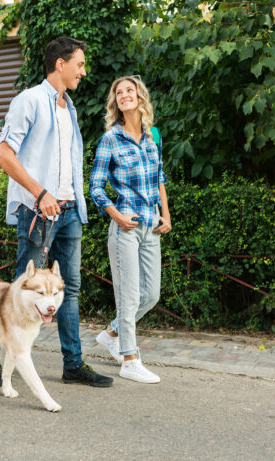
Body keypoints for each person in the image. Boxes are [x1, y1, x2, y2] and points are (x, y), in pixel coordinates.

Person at [0, 36, 113, 388]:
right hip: (38, 209)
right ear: (60, 64)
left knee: (71, 288)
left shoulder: (71, 109)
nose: (84, 71)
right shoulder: (29, 100)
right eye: (79, 64)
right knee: (22, 285)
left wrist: (73, 201)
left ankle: (73, 364)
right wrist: (40, 193)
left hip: (68, 209)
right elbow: (4, 155)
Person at [89, 75, 172, 384]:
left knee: (150, 295)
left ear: (140, 97)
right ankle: (129, 359)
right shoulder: (111, 138)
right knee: (128, 297)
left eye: (129, 90)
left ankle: (112, 333)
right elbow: (96, 187)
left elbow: (159, 176)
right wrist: (117, 216)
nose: (124, 94)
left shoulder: (153, 136)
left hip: (151, 226)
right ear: (116, 103)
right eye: (118, 92)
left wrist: (166, 214)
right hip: (125, 227)